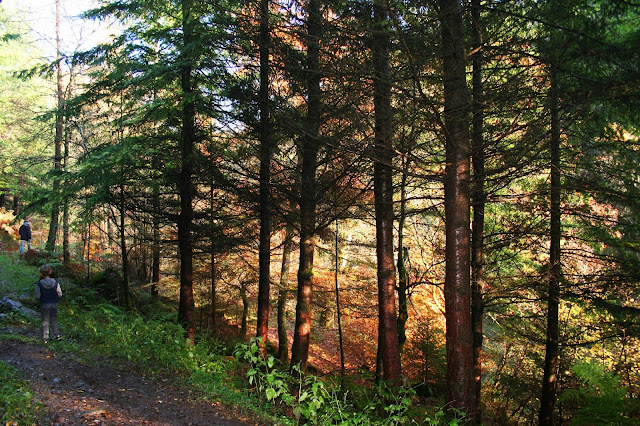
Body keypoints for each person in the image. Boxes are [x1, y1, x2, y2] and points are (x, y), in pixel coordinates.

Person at [34, 264, 62, 343]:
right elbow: (60, 294)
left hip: (44, 304)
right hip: (54, 303)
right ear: (50, 272)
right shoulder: (55, 282)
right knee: (53, 319)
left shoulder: (39, 284)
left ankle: (45, 338)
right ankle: (58, 335)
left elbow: (37, 296)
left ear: (41, 273)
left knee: (45, 320)